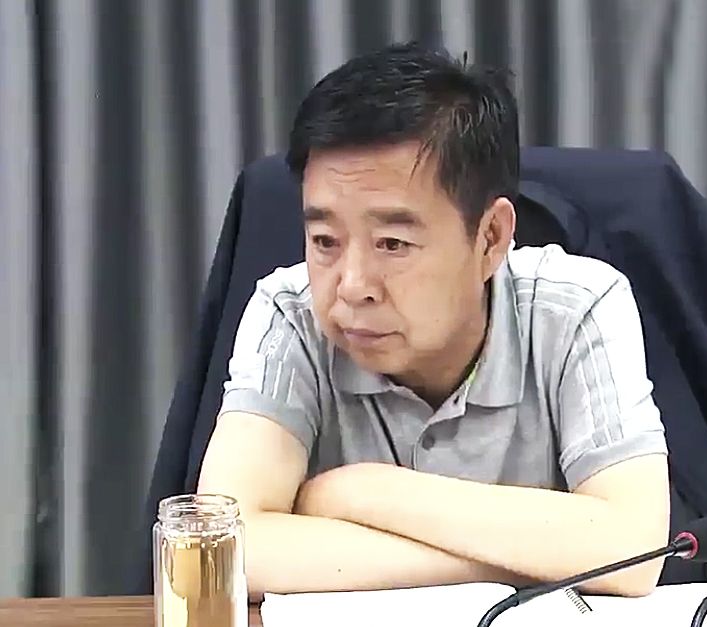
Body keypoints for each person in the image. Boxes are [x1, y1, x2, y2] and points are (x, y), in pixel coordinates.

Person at [197, 42, 670, 598]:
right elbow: (221, 552)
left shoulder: (578, 307)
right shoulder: (290, 313)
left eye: (392, 243)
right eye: (324, 240)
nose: (351, 286)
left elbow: (634, 551)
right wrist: (525, 562)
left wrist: (362, 492)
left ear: (490, 238)